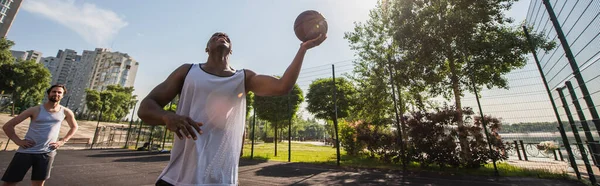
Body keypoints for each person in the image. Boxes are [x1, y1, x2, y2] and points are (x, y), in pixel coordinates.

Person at [137, 32, 326, 186]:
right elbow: (145, 107)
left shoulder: (243, 78)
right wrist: (166, 117)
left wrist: (303, 49)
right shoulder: (187, 71)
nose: (222, 36)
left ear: (231, 50)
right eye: (215, 36)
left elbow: (283, 86)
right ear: (207, 48)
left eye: (227, 37)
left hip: (222, 179)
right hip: (178, 178)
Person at [1, 84, 79, 186]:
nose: (56, 94)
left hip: (47, 153)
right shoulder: (35, 110)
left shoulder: (66, 112)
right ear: (49, 94)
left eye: (59, 92)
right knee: (9, 182)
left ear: (63, 95)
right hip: (26, 152)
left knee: (38, 183)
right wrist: (18, 141)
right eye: (54, 91)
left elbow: (74, 127)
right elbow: (8, 126)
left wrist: (62, 141)